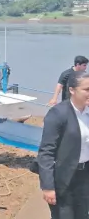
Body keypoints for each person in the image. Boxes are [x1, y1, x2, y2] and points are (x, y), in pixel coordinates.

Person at [37, 71, 89, 219]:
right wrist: (47, 187)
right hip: (63, 178)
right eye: (86, 90)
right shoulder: (58, 114)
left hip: (84, 177)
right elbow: (46, 152)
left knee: (82, 215)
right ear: (71, 90)